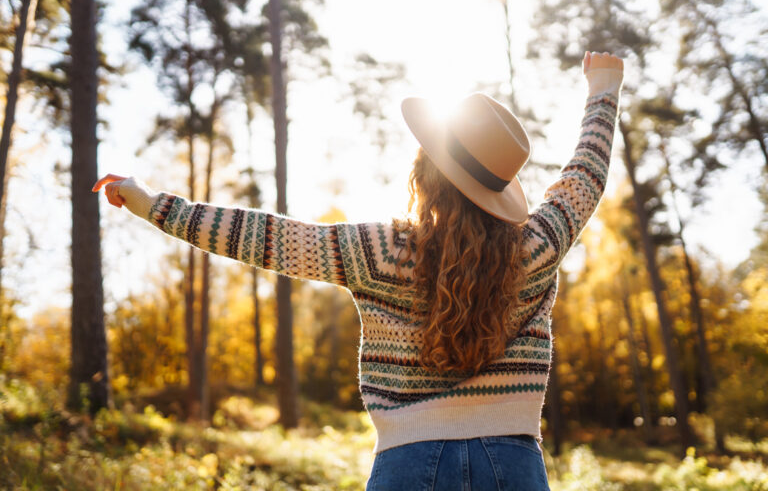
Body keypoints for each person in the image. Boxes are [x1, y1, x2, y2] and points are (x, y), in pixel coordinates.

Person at [93, 50, 623, 490]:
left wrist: (150, 203)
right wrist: (603, 88)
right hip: (514, 467)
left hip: (407, 465)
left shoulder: (377, 251)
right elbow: (584, 177)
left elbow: (261, 238)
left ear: (424, 174)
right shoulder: (536, 246)